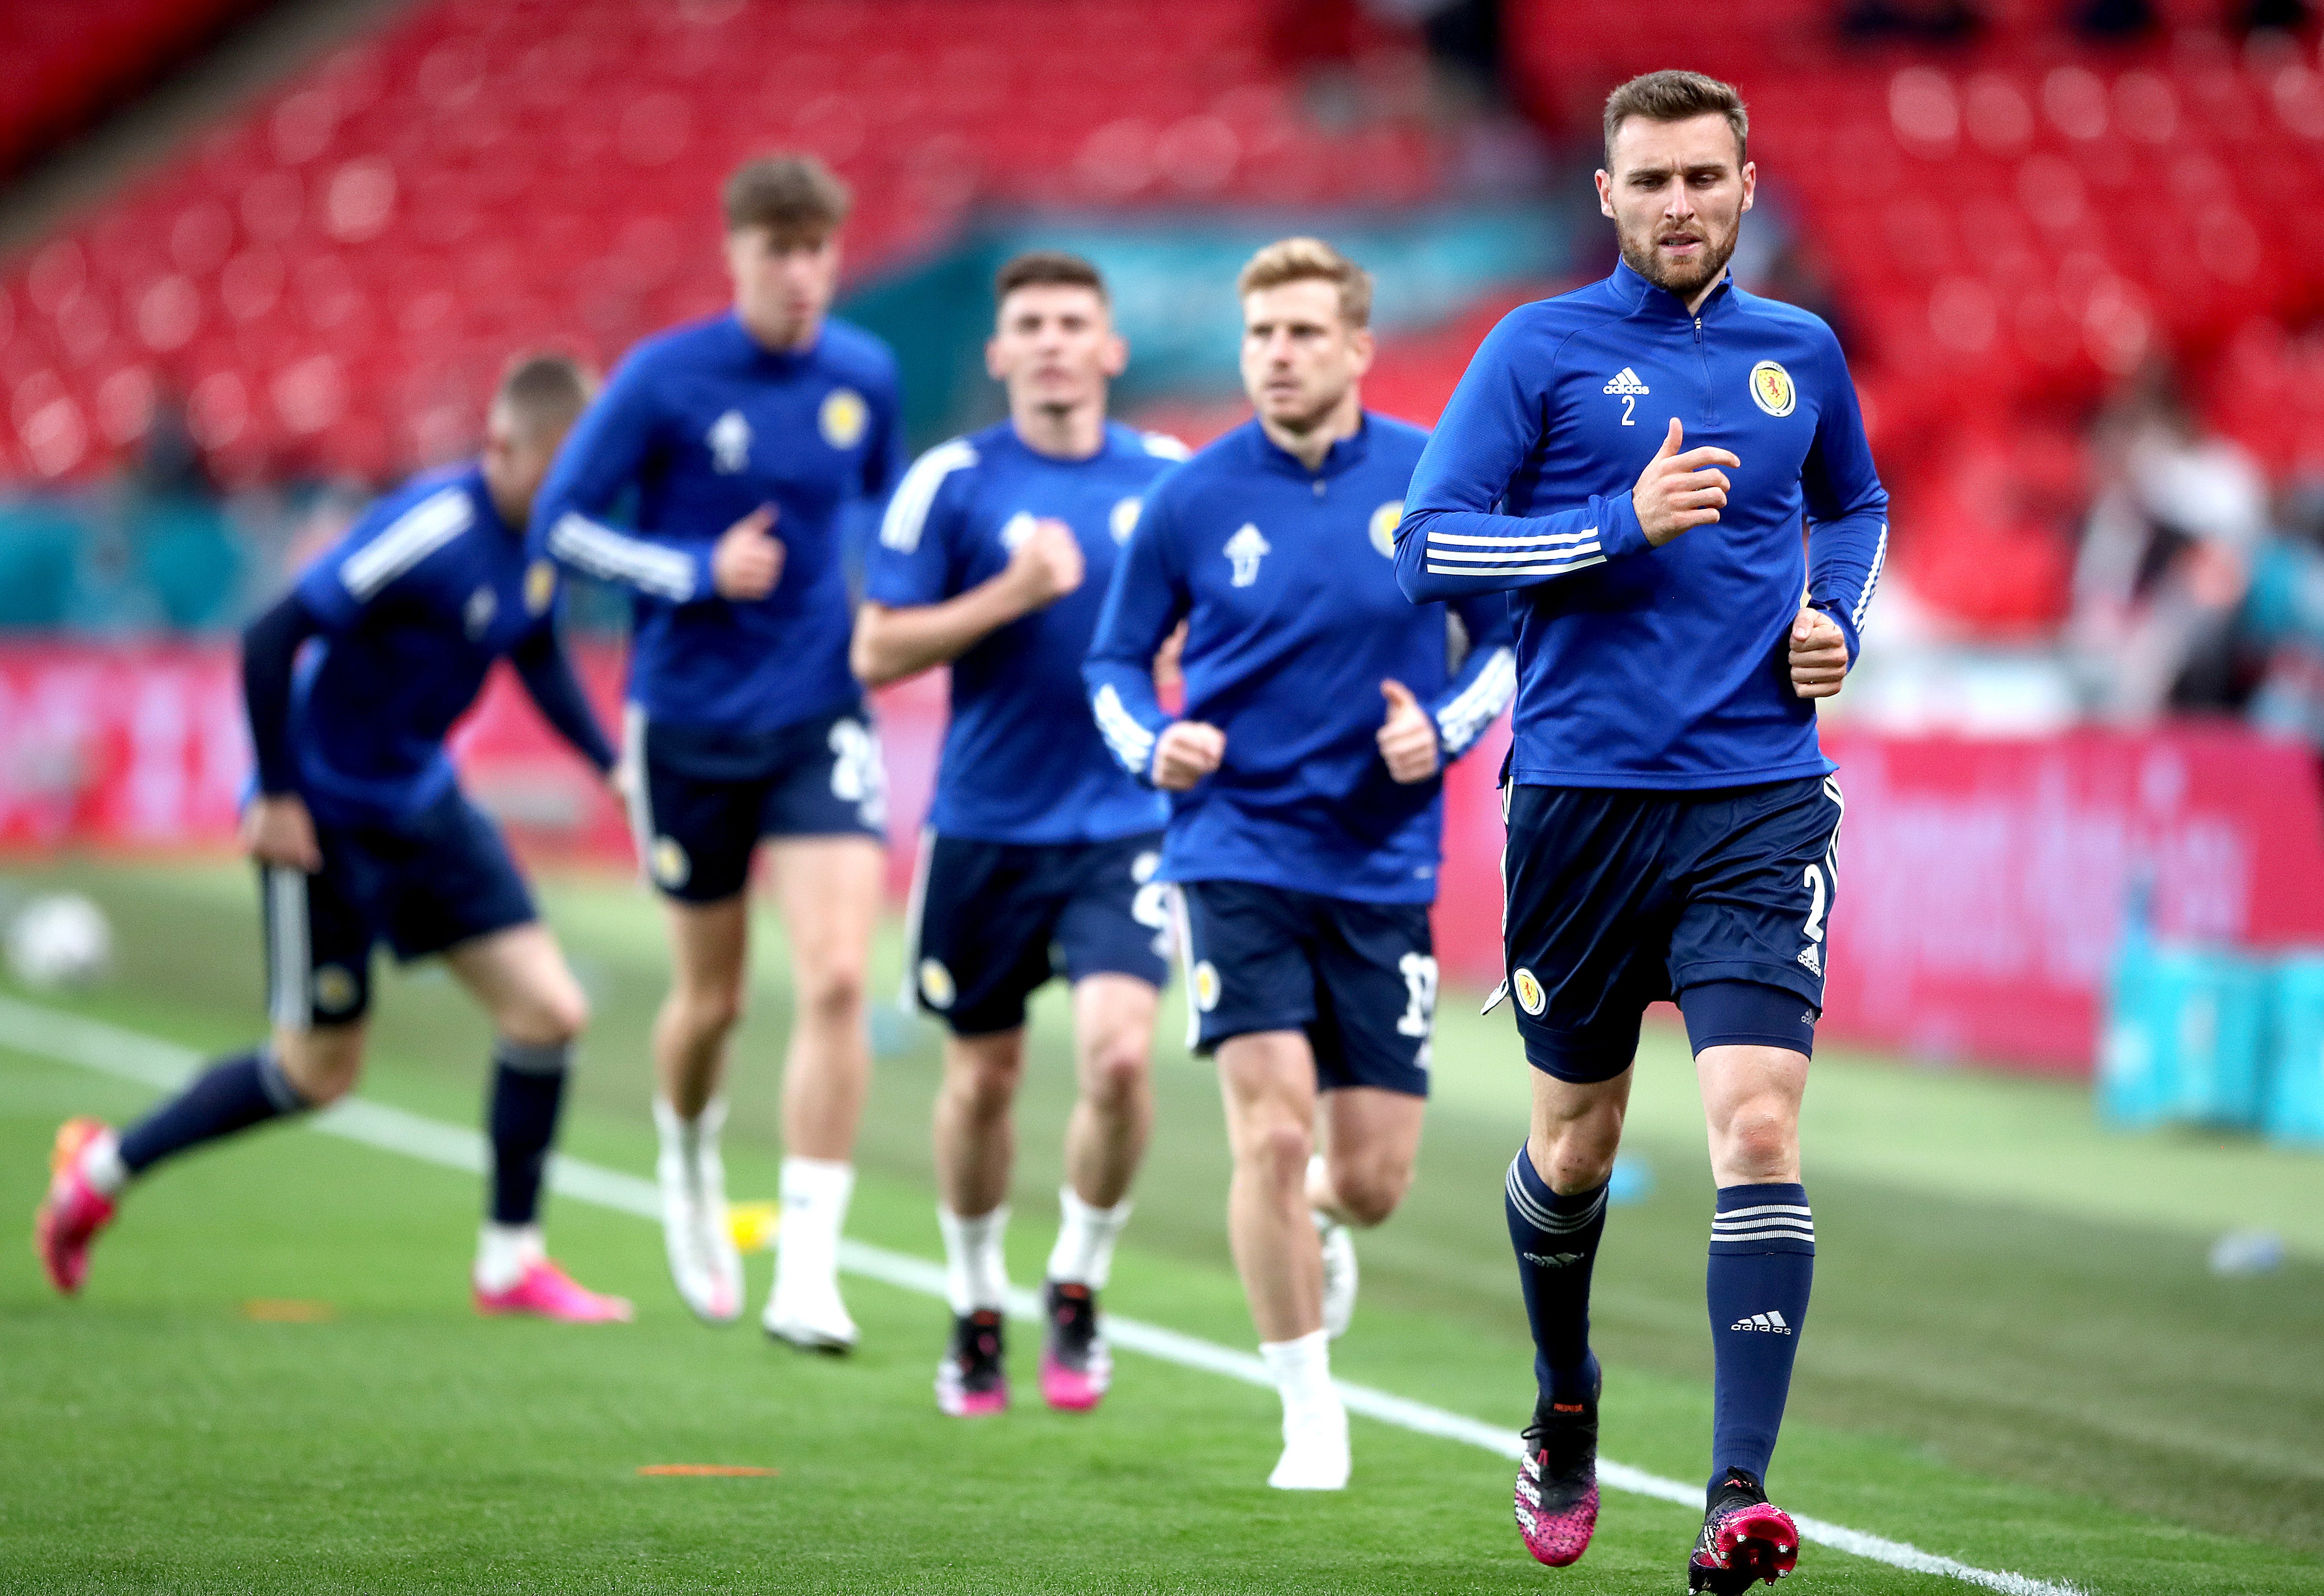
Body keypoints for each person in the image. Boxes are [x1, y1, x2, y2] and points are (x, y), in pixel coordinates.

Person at [1395, 70, 1888, 1591]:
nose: (1678, 202)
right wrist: (1620, 524)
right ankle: (1561, 1400)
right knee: (1575, 1141)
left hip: (1752, 799)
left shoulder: (1797, 351)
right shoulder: (1533, 349)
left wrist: (1832, 621)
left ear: (1746, 183)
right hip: (1579, 805)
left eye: (1702, 176)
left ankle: (1735, 1491)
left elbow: (1855, 507)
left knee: (1754, 1122)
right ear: (1602, 195)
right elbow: (1430, 544)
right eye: (1649, 180)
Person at [35, 354, 632, 1325]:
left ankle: (510, 1263)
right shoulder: (432, 528)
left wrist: (607, 763)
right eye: (560, 465)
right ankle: (101, 1169)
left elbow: (533, 645)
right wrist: (276, 794)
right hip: (325, 815)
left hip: (425, 803)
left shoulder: (547, 537)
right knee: (316, 1072)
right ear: (501, 448)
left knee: (548, 1010)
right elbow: (275, 632)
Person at [1084, 238, 1517, 1489]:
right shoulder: (1192, 496)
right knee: (1266, 1138)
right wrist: (1153, 742)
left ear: (1355, 348)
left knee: (1370, 1179)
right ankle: (1307, 1415)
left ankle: (1327, 1221)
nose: (1275, 354)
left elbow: (1500, 644)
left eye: (1301, 333)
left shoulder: (1432, 479)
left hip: (1381, 866)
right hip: (1231, 849)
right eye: (1259, 334)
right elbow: (1113, 661)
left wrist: (1435, 731)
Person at [529, 154, 902, 1349]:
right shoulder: (662, 379)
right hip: (687, 722)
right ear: (735, 255)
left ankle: (807, 1267)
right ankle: (686, 1156)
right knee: (713, 998)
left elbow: (888, 527)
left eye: (817, 252)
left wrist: (898, 619)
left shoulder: (865, 376)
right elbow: (561, 527)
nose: (800, 275)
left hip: (818, 712)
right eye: (776, 252)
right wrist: (692, 572)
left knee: (840, 976)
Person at [853, 251, 1186, 1418]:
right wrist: (1010, 593)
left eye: (1071, 323)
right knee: (982, 1079)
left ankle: (1080, 1280)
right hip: (985, 825)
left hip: (1124, 820)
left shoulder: (1169, 478)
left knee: (1120, 1056)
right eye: (1029, 324)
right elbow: (875, 651)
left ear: (1110, 349)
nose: (1050, 341)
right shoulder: (949, 482)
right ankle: (975, 1301)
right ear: (998, 353)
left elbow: (1229, 623)